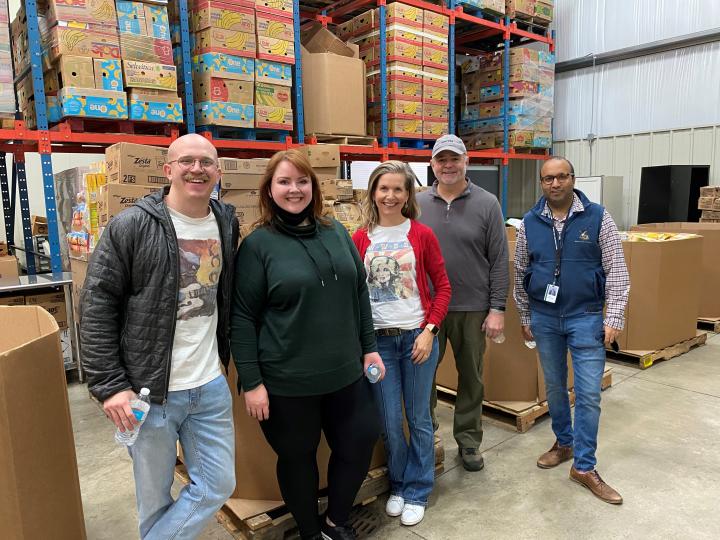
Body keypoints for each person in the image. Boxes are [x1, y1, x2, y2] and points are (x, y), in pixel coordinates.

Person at [80, 133, 240, 538]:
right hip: (149, 393)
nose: (197, 169)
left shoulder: (225, 221)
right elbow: (97, 305)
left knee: (218, 484)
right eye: (186, 161)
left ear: (218, 172)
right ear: (168, 170)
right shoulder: (131, 225)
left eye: (206, 162)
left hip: (209, 385)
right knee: (154, 501)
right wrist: (110, 386)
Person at [230, 149, 384, 540]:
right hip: (286, 382)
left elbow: (358, 294)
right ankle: (310, 533)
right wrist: (252, 381)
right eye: (284, 182)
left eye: (302, 181)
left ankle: (336, 521)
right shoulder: (257, 246)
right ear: (269, 189)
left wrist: (369, 347)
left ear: (313, 188)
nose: (294, 189)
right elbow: (242, 318)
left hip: (346, 373)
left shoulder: (335, 232)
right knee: (298, 458)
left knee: (361, 439)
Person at [513, 156, 629, 504]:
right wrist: (525, 316)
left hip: (586, 316)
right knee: (554, 387)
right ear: (541, 183)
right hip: (545, 319)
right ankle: (564, 443)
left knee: (590, 393)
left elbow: (617, 271)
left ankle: (584, 465)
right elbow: (520, 272)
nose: (555, 184)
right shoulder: (530, 223)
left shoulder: (597, 217)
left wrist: (615, 317)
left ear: (572, 179)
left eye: (561, 177)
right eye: (548, 179)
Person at [352, 161, 451, 526]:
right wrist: (363, 344)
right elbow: (353, 293)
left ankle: (418, 489)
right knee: (390, 422)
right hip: (378, 345)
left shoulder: (422, 234)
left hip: (416, 340)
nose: (390, 196)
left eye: (398, 189)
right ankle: (398, 484)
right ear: (373, 193)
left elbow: (443, 287)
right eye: (384, 189)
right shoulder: (360, 238)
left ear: (408, 194)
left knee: (419, 418)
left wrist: (430, 330)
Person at [417, 134, 509, 472]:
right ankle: (427, 440)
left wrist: (497, 308)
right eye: (441, 160)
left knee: (471, 378)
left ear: (465, 161)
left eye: (453, 159)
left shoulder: (487, 203)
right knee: (422, 380)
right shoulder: (417, 203)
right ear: (432, 165)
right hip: (427, 311)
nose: (448, 166)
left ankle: (469, 442)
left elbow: (499, 259)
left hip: (473, 308)